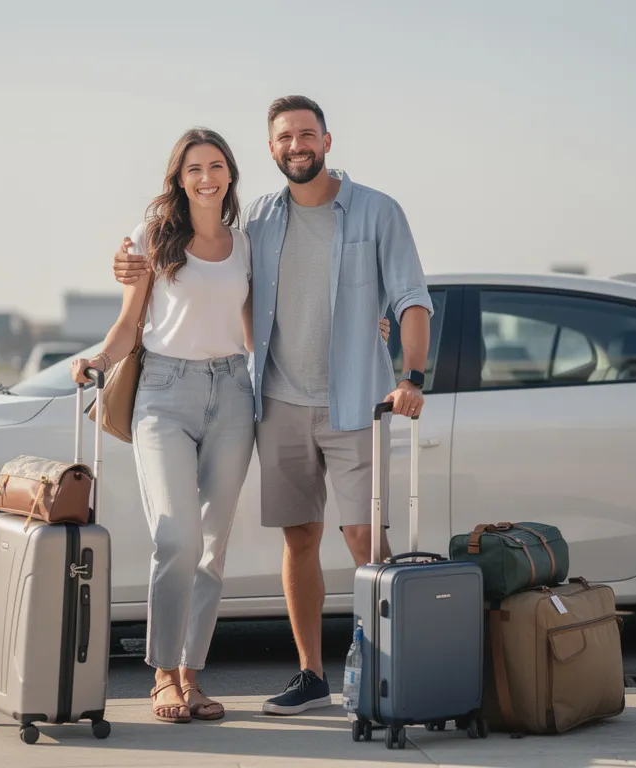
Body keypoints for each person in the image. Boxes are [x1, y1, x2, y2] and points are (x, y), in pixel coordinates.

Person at [112, 95, 434, 717]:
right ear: (270, 149)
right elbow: (195, 266)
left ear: (328, 140)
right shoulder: (258, 219)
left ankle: (391, 677)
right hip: (276, 402)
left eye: (307, 134)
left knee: (367, 539)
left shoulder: (376, 211)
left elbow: (412, 298)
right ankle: (311, 675)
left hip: (355, 405)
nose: (297, 145)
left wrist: (412, 375)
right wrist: (125, 261)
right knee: (300, 539)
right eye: (285, 137)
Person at [73, 127, 256, 724]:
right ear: (179, 179)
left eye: (217, 166)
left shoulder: (246, 244)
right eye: (195, 169)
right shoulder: (155, 237)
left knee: (211, 547)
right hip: (163, 395)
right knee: (175, 537)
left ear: (230, 173)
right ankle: (161, 674)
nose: (207, 177)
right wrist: (99, 360)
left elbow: (256, 331)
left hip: (232, 392)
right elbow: (129, 325)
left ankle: (191, 678)